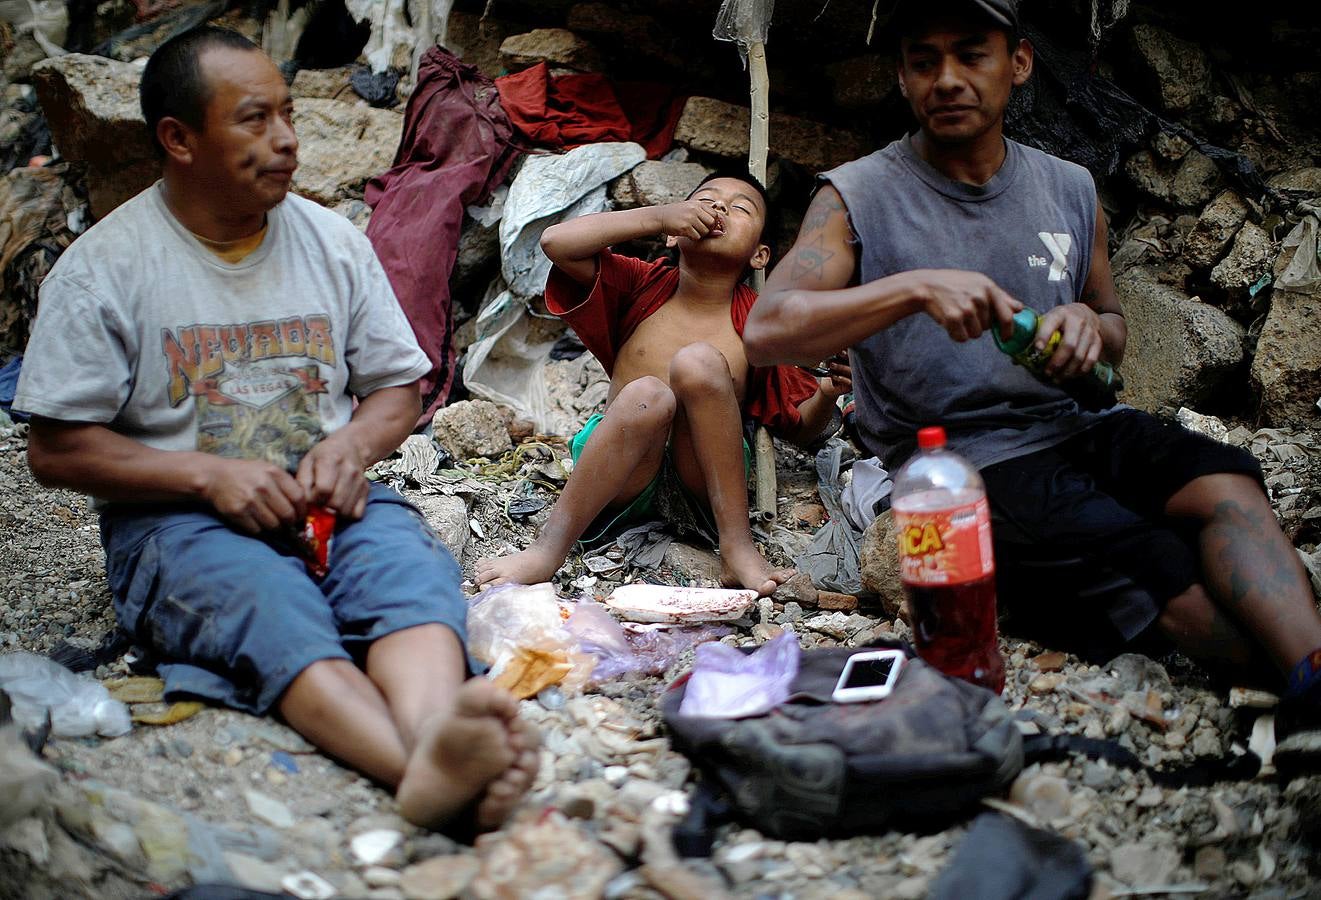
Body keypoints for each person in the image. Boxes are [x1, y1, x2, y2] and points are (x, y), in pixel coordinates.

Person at [744, 0, 1321, 767]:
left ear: (1017, 64)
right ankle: (1290, 676)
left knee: (1224, 483)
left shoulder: (1067, 187)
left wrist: (1086, 327)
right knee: (1154, 562)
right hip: (963, 462)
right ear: (902, 79)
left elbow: (1109, 321)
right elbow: (767, 330)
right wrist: (911, 288)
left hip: (1081, 422)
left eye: (970, 54)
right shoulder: (857, 195)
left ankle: (1311, 676)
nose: (947, 79)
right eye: (923, 62)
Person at [14, 26, 537, 830]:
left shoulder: (331, 242)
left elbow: (397, 388)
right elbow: (55, 450)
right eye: (254, 119)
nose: (287, 139)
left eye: (287, 113)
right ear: (178, 139)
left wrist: (350, 447)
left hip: (326, 501)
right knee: (265, 603)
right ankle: (415, 773)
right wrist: (206, 475)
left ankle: (438, 734)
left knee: (404, 569)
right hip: (177, 522)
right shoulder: (105, 270)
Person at [475, 172, 849, 596]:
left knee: (698, 363)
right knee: (647, 394)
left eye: (741, 208)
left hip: (703, 483)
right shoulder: (642, 283)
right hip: (621, 470)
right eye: (706, 200)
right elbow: (556, 243)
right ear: (674, 233)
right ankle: (547, 550)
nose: (720, 208)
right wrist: (657, 216)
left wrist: (827, 393)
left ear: (759, 256)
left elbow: (801, 428)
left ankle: (737, 547)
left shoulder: (763, 324)